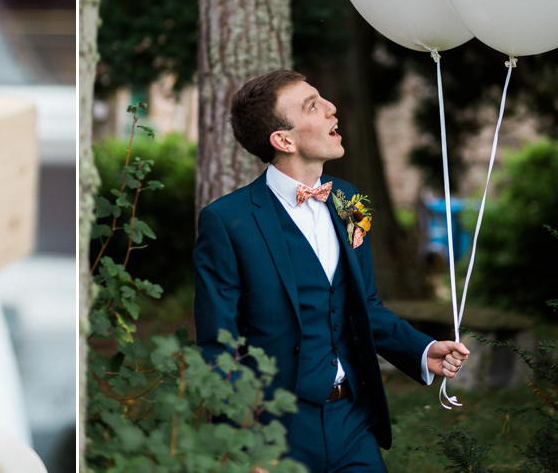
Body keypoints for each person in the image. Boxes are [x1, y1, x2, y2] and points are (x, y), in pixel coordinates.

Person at [193, 70, 469, 473]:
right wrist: (240, 440)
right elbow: (219, 344)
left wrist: (422, 351)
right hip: (274, 429)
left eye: (322, 98)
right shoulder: (226, 220)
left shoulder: (352, 201)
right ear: (283, 140)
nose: (331, 108)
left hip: (353, 422)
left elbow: (365, 305)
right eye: (312, 106)